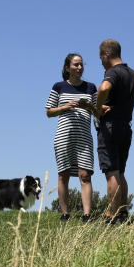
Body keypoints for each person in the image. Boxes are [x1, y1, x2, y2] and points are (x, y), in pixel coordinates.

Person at [88, 38, 134, 225]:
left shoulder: (113, 72)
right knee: (121, 172)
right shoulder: (133, 74)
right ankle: (123, 213)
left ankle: (112, 215)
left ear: (106, 54)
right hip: (126, 127)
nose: (101, 62)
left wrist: (98, 107)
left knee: (112, 172)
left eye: (101, 58)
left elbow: (104, 87)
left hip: (110, 127)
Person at [45, 53, 97, 222]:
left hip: (84, 137)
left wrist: (90, 106)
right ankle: (65, 214)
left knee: (85, 174)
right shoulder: (59, 86)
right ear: (67, 68)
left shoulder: (91, 88)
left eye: (81, 64)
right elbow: (49, 112)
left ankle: (87, 215)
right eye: (76, 65)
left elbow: (99, 114)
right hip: (63, 136)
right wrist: (66, 106)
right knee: (64, 174)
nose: (79, 68)